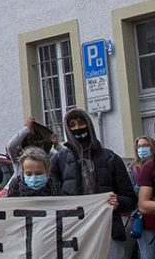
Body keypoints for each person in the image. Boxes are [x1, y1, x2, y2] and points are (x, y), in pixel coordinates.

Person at [51, 108, 136, 255]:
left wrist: (118, 202)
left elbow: (130, 199)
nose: (77, 128)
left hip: (108, 231)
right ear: (67, 129)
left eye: (81, 123)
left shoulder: (111, 158)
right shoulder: (59, 160)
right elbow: (50, 196)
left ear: (89, 124)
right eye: (72, 125)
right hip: (72, 233)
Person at [131, 136, 155, 259]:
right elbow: (132, 195)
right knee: (147, 255)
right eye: (139, 146)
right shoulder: (133, 169)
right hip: (144, 220)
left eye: (145, 145)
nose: (142, 149)